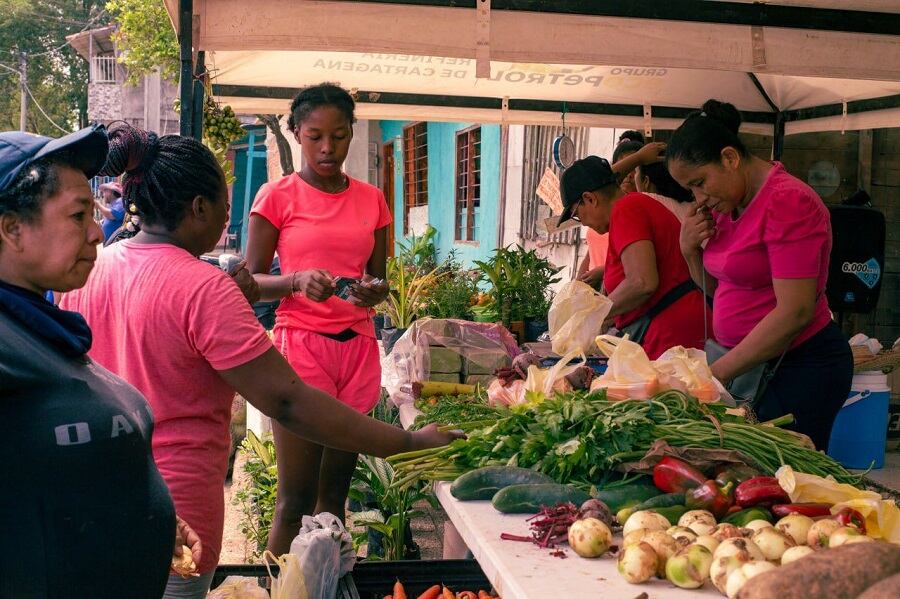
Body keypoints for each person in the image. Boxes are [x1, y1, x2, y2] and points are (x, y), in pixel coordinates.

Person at [60, 123, 455, 598]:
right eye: (225, 207)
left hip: (95, 500)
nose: (229, 219)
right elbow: (288, 401)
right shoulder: (203, 288)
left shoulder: (93, 269)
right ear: (199, 207)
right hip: (174, 514)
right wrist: (407, 441)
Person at [0, 125, 200, 598]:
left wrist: (140, 521)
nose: (96, 232)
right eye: (78, 215)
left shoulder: (43, 333)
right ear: (11, 229)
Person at [244, 83, 394, 555]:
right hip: (302, 351)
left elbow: (379, 280)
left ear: (352, 134)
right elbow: (247, 282)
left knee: (334, 500)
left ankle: (326, 585)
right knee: (295, 501)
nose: (328, 148)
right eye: (314, 136)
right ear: (295, 134)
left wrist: (374, 291)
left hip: (357, 350)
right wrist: (294, 281)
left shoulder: (373, 200)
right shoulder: (277, 196)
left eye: (339, 135)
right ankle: (275, 588)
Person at [666, 99, 852, 449]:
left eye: (700, 182)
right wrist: (689, 249)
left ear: (730, 158)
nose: (698, 198)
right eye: (690, 190)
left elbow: (794, 311)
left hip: (799, 367)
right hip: (748, 369)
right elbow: (719, 290)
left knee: (784, 486)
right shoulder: (725, 207)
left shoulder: (788, 202)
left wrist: (715, 375)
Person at [558, 147, 710, 360]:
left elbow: (642, 283)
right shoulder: (634, 206)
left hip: (672, 337)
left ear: (590, 199)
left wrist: (595, 314)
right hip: (672, 332)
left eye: (576, 214)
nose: (582, 222)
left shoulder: (627, 209)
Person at [576, 136, 645, 288]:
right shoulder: (600, 206)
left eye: (634, 167)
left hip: (618, 285)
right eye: (625, 168)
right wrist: (577, 281)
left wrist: (602, 271)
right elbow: (591, 250)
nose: (629, 174)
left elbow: (641, 275)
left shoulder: (635, 210)